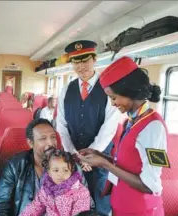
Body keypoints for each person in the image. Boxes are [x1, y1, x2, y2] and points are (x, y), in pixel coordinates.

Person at [77, 56, 169, 216]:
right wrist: (101, 156)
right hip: (123, 206)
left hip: (141, 210)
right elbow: (128, 164)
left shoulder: (153, 127)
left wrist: (106, 165)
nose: (112, 103)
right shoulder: (130, 121)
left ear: (130, 92)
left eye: (114, 97)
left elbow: (150, 185)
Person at [56, 40, 121, 215]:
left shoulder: (109, 88)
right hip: (74, 158)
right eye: (76, 61)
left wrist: (91, 154)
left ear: (95, 59)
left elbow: (110, 125)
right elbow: (61, 124)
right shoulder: (65, 90)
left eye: (85, 60)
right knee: (74, 202)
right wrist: (73, 153)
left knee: (101, 203)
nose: (81, 66)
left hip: (100, 158)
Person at [0, 119, 92, 216]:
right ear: (30, 143)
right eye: (43, 138)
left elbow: (88, 207)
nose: (50, 143)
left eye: (53, 137)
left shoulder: (72, 167)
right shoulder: (15, 166)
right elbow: (1, 206)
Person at [20, 149, 91, 216]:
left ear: (71, 171)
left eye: (65, 170)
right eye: (56, 170)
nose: (60, 174)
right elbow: (35, 207)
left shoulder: (80, 192)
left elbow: (80, 214)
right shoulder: (46, 190)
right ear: (48, 172)